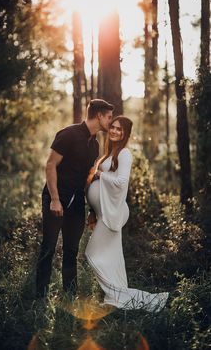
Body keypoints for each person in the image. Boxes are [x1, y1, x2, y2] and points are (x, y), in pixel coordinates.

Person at [85, 116, 169, 312]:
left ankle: (121, 296)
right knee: (113, 257)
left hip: (113, 213)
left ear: (126, 134)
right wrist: (93, 211)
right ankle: (115, 298)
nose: (114, 131)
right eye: (112, 127)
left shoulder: (124, 154)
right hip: (103, 211)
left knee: (91, 253)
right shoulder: (108, 154)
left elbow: (121, 182)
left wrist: (99, 175)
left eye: (119, 129)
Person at [36, 99, 114, 298]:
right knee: (48, 248)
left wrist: (93, 209)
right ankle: (40, 297)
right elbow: (50, 165)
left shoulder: (95, 145)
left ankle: (70, 296)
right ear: (99, 116)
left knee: (71, 251)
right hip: (55, 198)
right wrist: (54, 198)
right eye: (109, 117)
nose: (111, 122)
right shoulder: (68, 134)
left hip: (77, 203)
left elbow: (88, 177)